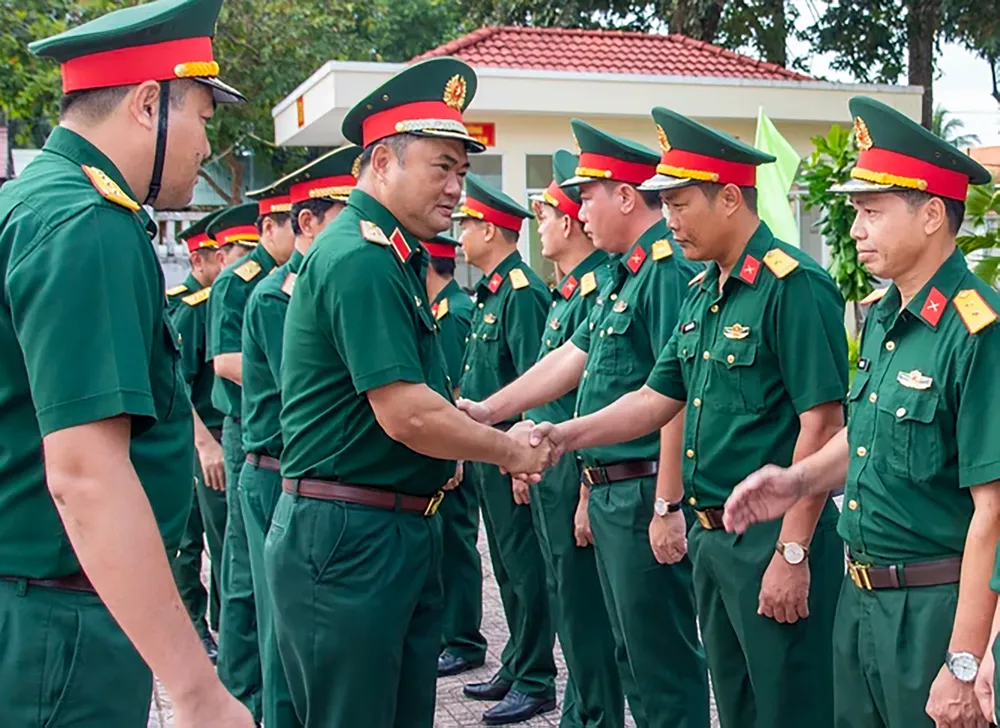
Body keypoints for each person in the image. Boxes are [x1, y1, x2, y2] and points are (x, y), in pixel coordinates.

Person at [525, 108, 849, 727]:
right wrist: (563, 434)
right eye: (663, 204)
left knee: (791, 708)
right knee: (737, 708)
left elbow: (824, 425)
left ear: (729, 198)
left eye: (680, 203)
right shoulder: (704, 292)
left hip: (769, 540)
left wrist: (793, 552)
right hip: (713, 538)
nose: (669, 220)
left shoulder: (793, 285)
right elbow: (654, 399)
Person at [266, 57, 556, 728]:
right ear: (383, 162)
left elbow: (422, 399)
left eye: (462, 170)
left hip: (385, 527)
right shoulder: (361, 258)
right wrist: (508, 451)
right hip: (350, 535)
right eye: (441, 167)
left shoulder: (390, 257)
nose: (457, 188)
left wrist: (473, 422)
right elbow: (406, 414)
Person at [0, 0, 254, 725]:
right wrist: (198, 691)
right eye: (204, 115)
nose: (208, 143)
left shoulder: (31, 203)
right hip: (62, 620)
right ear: (150, 104)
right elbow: (85, 474)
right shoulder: (87, 223)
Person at [721, 96, 1000, 728]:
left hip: (935, 612)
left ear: (932, 214)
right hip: (860, 600)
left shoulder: (978, 331)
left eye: (870, 211)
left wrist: (964, 661)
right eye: (854, 212)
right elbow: (866, 439)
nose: (854, 230)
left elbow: (995, 510)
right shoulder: (882, 317)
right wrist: (796, 480)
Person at [458, 119, 709, 728]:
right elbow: (571, 359)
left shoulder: (667, 271)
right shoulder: (626, 274)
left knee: (661, 667)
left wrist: (668, 505)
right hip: (610, 489)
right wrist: (491, 412)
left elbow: (673, 394)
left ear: (625, 196)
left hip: (644, 487)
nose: (579, 210)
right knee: (630, 660)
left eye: (587, 194)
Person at [241, 144, 360, 728]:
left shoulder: (329, 279)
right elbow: (308, 391)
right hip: (276, 474)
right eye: (344, 212)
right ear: (306, 222)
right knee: (281, 630)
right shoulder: (276, 295)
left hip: (313, 480)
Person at [520, 149, 623, 728]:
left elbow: (612, 398)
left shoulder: (601, 287)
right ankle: (580, 710)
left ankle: (594, 712)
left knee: (588, 610)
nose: (575, 217)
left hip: (583, 466)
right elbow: (549, 377)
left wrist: (583, 484)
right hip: (552, 460)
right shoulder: (571, 295)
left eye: (551, 214)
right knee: (566, 597)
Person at [454, 173, 558, 725]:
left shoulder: (521, 293)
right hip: (490, 453)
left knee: (525, 566)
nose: (461, 235)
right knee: (506, 563)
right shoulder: (491, 291)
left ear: (492, 230)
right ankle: (518, 661)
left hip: (513, 455)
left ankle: (538, 676)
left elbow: (534, 376)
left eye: (467, 224)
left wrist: (523, 464)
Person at [207, 195, 296, 721]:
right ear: (274, 226)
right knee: (245, 577)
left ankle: (248, 692)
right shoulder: (244, 282)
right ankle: (244, 692)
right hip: (250, 429)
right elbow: (224, 359)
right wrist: (285, 373)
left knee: (251, 575)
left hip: (271, 426)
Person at [426, 233, 489, 679]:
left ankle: (464, 639)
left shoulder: (454, 314)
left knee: (458, 542)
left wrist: (456, 452)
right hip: (451, 441)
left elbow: (455, 390)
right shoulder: (440, 310)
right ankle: (454, 635)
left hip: (460, 445)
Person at [171, 209, 229, 664]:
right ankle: (193, 627)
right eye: (221, 255)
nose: (227, 263)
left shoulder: (218, 302)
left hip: (218, 433)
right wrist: (204, 445)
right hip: (199, 437)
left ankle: (224, 622)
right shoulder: (192, 310)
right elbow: (177, 386)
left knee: (224, 536)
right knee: (192, 540)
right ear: (199, 262)